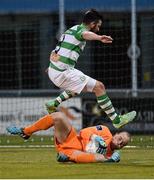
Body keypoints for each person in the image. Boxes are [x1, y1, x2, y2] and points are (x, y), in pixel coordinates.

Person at [45, 9, 136, 129]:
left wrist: (52, 67)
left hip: (54, 69)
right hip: (62, 73)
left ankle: (54, 103)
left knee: (78, 85)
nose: (98, 29)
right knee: (99, 87)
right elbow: (85, 34)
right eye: (98, 26)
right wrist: (99, 37)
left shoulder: (70, 30)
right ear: (92, 24)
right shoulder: (81, 31)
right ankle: (117, 120)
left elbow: (58, 51)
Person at [7, 112, 131, 163]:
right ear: (116, 134)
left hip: (74, 152)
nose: (120, 142)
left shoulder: (109, 155)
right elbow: (83, 132)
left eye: (123, 143)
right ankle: (26, 132)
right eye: (120, 138)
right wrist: (95, 137)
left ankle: (67, 158)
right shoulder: (104, 131)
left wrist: (111, 159)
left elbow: (99, 156)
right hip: (72, 139)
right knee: (59, 116)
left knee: (100, 158)